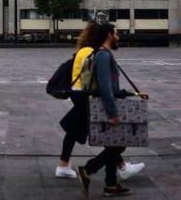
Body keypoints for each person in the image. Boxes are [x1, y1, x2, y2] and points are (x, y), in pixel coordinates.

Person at [56, 21, 143, 182]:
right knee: (110, 137)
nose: (117, 35)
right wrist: (111, 104)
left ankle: (112, 174)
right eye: (114, 33)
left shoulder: (84, 50)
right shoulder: (94, 53)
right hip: (87, 97)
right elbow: (99, 81)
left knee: (77, 131)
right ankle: (109, 170)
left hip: (80, 95)